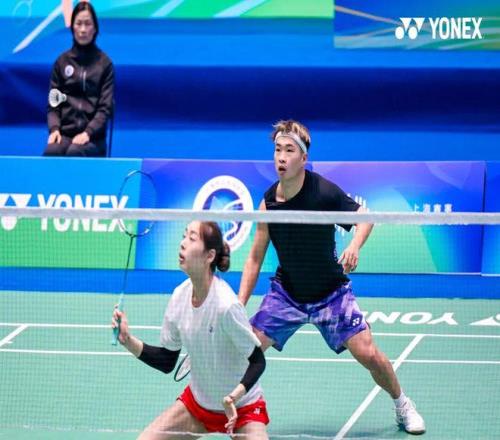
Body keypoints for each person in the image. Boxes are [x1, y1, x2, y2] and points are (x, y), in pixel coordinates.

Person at [238, 120, 426, 435]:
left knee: (368, 353)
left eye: (289, 150)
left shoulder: (324, 192)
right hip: (287, 294)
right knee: (246, 350)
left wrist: (354, 245)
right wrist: (239, 303)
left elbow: (365, 219)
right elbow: (254, 257)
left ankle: (403, 404)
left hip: (331, 295)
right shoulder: (268, 203)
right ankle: (233, 409)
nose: (281, 157)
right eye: (277, 150)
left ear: (303, 158)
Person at [112, 221, 270, 440]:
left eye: (192, 238)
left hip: (241, 410)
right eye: (184, 236)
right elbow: (167, 361)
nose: (183, 244)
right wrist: (128, 340)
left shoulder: (226, 306)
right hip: (197, 407)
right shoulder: (179, 296)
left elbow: (258, 361)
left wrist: (234, 396)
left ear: (209, 256)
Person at [44, 1, 113, 157]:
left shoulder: (105, 64)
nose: (83, 29)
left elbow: (105, 109)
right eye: (79, 23)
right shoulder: (62, 62)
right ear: (72, 27)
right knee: (52, 151)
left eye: (87, 24)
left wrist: (88, 132)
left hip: (93, 138)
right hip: (65, 135)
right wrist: (54, 129)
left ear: (95, 28)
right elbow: (53, 104)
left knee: (74, 152)